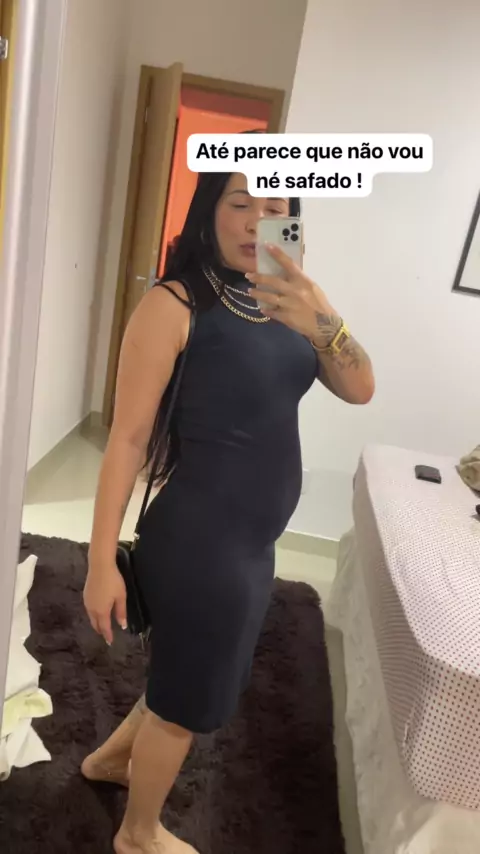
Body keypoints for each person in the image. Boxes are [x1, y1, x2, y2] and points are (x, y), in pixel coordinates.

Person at [82, 168, 375, 854]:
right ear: (209, 211)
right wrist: (99, 561)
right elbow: (127, 439)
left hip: (251, 544)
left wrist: (322, 317)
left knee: (190, 669)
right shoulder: (173, 303)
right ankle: (138, 834)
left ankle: (110, 761)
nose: (255, 220)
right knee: (188, 702)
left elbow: (361, 387)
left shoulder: (292, 302)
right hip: (200, 543)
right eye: (239, 202)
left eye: (275, 207)